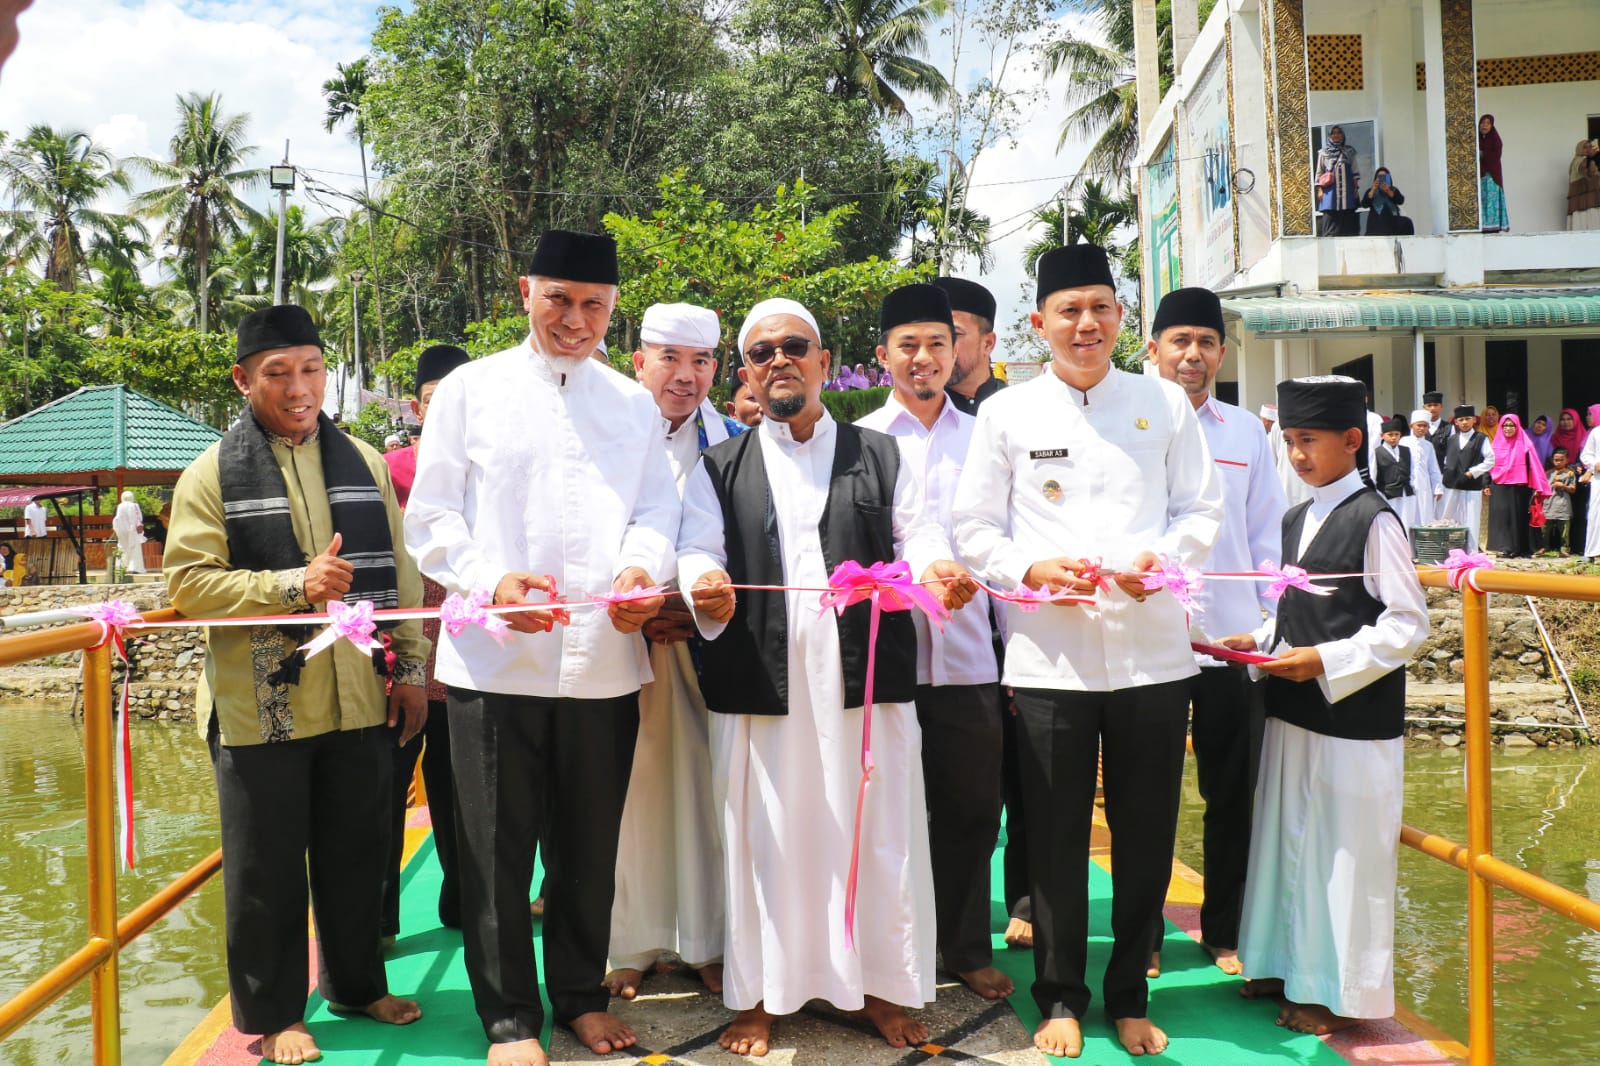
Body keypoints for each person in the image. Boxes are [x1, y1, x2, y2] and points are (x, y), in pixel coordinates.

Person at [405, 229, 680, 1066]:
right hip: (495, 663)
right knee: (495, 850)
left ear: (613, 310)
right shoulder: (468, 390)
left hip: (602, 663)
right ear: (525, 290)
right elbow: (434, 518)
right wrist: (490, 583)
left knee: (588, 848)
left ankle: (580, 997)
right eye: (558, 298)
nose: (574, 319)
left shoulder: (633, 404)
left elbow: (656, 512)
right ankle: (511, 1018)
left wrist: (640, 571)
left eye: (593, 304)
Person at [677, 296, 973, 1057]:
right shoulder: (719, 465)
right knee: (764, 838)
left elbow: (921, 531)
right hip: (762, 682)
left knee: (876, 833)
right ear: (745, 370)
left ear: (821, 360)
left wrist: (939, 569)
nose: (779, 359)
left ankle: (880, 987)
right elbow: (698, 547)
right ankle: (760, 996)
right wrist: (704, 580)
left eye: (794, 346)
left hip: (863, 680)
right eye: (762, 350)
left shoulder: (880, 453)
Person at [952, 245, 1224, 1060]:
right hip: (1049, 661)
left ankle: (1131, 996)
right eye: (1068, 309)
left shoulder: (1164, 405)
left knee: (1146, 835)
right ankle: (1061, 995)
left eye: (1101, 307)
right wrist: (1028, 571)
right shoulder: (1005, 414)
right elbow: (974, 531)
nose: (1086, 324)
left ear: (1120, 318)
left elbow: (1199, 511)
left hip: (1152, 657)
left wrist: (1165, 565)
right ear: (1038, 324)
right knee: (1056, 838)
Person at [165, 304, 429, 1065]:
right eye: (277, 373)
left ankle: (355, 986)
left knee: (357, 850)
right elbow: (188, 583)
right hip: (261, 708)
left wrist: (409, 668)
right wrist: (295, 585)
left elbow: (402, 578)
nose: (298, 387)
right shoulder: (211, 472)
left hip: (358, 691)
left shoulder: (365, 463)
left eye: (310, 368)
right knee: (266, 870)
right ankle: (277, 1012)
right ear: (244, 380)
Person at [1222, 375, 1429, 1037]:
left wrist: (1326, 662)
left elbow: (1407, 625)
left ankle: (1337, 994)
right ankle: (1282, 966)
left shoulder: (1376, 520)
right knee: (1287, 843)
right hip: (1293, 713)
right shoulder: (1293, 518)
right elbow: (1292, 615)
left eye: (1309, 441)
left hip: (1353, 724)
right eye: (1288, 441)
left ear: (1350, 439)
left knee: (1342, 859)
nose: (1298, 454)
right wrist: (1255, 643)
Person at [856, 283, 1012, 1001]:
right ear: (883, 354)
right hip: (885, 662)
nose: (923, 359)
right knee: (887, 813)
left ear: (960, 352)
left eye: (938, 344)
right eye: (908, 345)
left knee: (972, 810)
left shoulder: (990, 435)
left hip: (972, 656)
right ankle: (891, 953)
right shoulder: (857, 442)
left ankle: (966, 948)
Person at [1144, 286, 1285, 979]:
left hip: (1234, 642)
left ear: (1221, 353)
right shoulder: (1129, 422)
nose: (1192, 354)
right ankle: (1142, 940)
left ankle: (1224, 929)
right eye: (1179, 341)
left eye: (1205, 341)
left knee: (1233, 793)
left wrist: (1266, 622)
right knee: (1151, 796)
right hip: (1153, 640)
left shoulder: (1247, 434)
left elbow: (1265, 533)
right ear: (1152, 349)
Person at [604, 302, 743, 1001]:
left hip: (704, 648)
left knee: (711, 791)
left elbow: (749, 545)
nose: (686, 377)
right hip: (618, 645)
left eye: (701, 362)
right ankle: (628, 943)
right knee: (626, 797)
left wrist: (695, 608)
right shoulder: (605, 434)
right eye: (670, 358)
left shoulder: (736, 443)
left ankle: (710, 944)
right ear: (638, 360)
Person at [932, 273, 1029, 946]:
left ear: (988, 341)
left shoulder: (1014, 419)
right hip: (936, 641)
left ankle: (1021, 900)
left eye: (953, 335)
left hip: (1007, 630)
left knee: (1021, 780)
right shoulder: (896, 428)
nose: (937, 350)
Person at [384, 343, 472, 936]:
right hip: (398, 660)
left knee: (461, 794)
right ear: (417, 407)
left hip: (466, 661)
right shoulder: (390, 472)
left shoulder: (484, 468)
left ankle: (462, 902)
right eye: (433, 404)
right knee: (383, 795)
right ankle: (377, 918)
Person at [933, 276, 1004, 417]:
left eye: (955, 334)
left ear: (988, 344)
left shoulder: (1021, 410)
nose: (940, 346)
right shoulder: (918, 415)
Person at [1487, 414, 1548, 558]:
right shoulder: (1495, 445)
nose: (1508, 428)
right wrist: (1486, 484)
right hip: (1499, 485)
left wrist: (1537, 486)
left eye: (1511, 425)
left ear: (1517, 426)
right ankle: (1505, 548)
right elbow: (1488, 466)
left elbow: (1534, 466)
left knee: (1518, 517)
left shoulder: (1525, 444)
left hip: (1520, 486)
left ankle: (1519, 548)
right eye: (1505, 426)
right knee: (1502, 516)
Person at [1438, 405, 1494, 553]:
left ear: (1474, 420)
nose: (1464, 422)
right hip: (1451, 485)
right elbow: (1446, 460)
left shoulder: (1481, 439)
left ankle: (1471, 551)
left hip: (1472, 485)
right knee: (1449, 517)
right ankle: (1449, 550)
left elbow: (1490, 460)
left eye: (1467, 419)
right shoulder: (1451, 439)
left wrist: (1473, 472)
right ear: (1456, 422)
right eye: (1461, 420)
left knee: (1471, 518)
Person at [1553, 407, 1592, 552]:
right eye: (1562, 419)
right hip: (1558, 478)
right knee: (1559, 512)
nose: (1565, 422)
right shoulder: (1554, 438)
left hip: (1578, 480)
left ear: (1575, 420)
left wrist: (1578, 467)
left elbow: (1587, 456)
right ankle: (1560, 545)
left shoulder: (1584, 436)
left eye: (1569, 419)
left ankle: (1578, 545)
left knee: (1578, 512)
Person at [1373, 417, 1419, 531]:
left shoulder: (1406, 450)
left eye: (1397, 434)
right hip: (1387, 495)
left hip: (1406, 494)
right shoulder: (1377, 453)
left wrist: (1413, 487)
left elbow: (1413, 471)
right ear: (1382, 435)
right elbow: (1373, 476)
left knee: (1407, 525)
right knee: (1390, 525)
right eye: (1390, 434)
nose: (1394, 437)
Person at [1315, 125, 1360, 236]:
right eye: (1333, 133)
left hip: (1346, 189)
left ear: (1342, 135)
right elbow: (1319, 172)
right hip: (1331, 191)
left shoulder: (1349, 151)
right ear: (1330, 136)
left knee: (1347, 211)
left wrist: (1355, 187)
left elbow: (1355, 170)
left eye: (1339, 133)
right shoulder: (1323, 153)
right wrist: (1320, 190)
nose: (1336, 135)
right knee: (1331, 211)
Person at [1404, 410, 1444, 528]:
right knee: (1408, 516)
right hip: (1407, 484)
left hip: (1424, 485)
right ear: (1411, 426)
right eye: (1419, 425)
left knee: (1424, 516)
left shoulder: (1428, 445)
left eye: (1425, 426)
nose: (1422, 428)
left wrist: (1438, 488)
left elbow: (1433, 468)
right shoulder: (1403, 442)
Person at [1543, 447, 1577, 557]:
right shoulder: (1548, 473)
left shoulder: (1570, 474)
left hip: (1563, 505)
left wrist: (1563, 486)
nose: (1558, 462)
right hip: (1549, 504)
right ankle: (1545, 546)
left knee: (1564, 530)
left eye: (1561, 460)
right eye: (1556, 460)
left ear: (1567, 460)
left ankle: (1564, 548)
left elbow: (1573, 489)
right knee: (1545, 529)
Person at [1480, 115, 1509, 233]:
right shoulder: (1476, 140)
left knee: (1492, 202)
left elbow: (1495, 156)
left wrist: (1482, 154)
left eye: (1487, 123)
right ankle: (1482, 225)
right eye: (1482, 123)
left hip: (1492, 177)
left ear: (1492, 126)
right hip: (1480, 177)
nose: (1484, 125)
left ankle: (1493, 226)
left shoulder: (1496, 140)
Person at [1360, 168, 1411, 235]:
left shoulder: (1393, 189)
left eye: (1384, 177)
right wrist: (1373, 190)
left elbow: (1400, 200)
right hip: (1375, 227)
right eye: (1379, 177)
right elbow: (1364, 204)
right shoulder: (1371, 191)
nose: (1382, 179)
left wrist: (1388, 191)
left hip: (1392, 226)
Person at [1579, 405, 1600, 559]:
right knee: (1596, 514)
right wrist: (1594, 465)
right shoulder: (1596, 432)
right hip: (1599, 479)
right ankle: (1594, 552)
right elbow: (1586, 455)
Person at [112, 490, 147, 574]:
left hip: (122, 531)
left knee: (122, 547)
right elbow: (140, 518)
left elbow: (117, 519)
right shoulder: (134, 505)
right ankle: (134, 567)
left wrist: (117, 530)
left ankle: (121, 567)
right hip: (133, 530)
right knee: (134, 549)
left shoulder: (120, 506)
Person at [1568, 139, 1600, 231]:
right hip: (1585, 198)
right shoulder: (1581, 160)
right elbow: (1587, 172)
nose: (1588, 149)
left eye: (1590, 146)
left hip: (1587, 196)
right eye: (1585, 147)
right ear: (1579, 149)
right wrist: (1591, 158)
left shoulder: (1578, 160)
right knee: (1588, 223)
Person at [1422, 390, 1450, 467]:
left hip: (1442, 470)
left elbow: (1451, 451)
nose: (1432, 408)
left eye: (1435, 405)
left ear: (1441, 406)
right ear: (1424, 407)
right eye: (1429, 405)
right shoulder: (1418, 427)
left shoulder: (1449, 428)